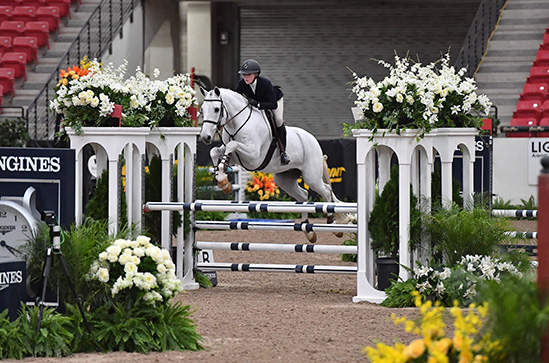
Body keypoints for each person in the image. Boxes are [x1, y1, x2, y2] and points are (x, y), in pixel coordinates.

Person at [236, 59, 291, 165]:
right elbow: (236, 98)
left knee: (278, 119)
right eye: (244, 75)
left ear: (256, 74)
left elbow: (273, 104)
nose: (246, 77)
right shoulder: (241, 84)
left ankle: (283, 152)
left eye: (249, 74)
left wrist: (257, 104)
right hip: (257, 103)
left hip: (274, 101)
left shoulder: (265, 83)